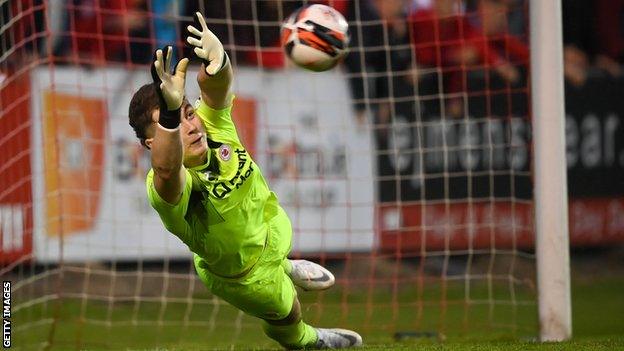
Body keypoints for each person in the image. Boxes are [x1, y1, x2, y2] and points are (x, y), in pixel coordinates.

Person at [127, 12, 363, 350]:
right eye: (174, 122)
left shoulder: (211, 126)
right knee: (288, 312)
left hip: (268, 227)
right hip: (244, 274)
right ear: (152, 141)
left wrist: (218, 59)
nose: (191, 126)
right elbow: (167, 170)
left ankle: (284, 263)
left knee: (280, 243)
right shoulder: (168, 185)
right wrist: (169, 112)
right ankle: (306, 340)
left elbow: (215, 87)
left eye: (188, 113)